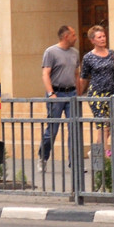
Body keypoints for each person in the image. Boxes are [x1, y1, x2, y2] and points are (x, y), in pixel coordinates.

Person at [38, 24, 82, 174]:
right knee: (52, 130)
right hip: (57, 93)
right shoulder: (51, 52)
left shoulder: (75, 53)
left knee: (74, 128)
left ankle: (74, 163)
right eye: (74, 35)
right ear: (66, 36)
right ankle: (43, 157)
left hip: (71, 94)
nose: (76, 38)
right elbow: (45, 74)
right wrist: (51, 94)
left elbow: (77, 74)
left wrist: (79, 94)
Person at [80, 24, 114, 158]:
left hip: (111, 93)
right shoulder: (88, 57)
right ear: (93, 40)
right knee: (102, 126)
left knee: (108, 127)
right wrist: (79, 94)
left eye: (104, 36)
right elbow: (84, 77)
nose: (103, 39)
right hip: (96, 94)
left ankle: (96, 152)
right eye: (99, 37)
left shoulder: (111, 54)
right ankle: (105, 157)